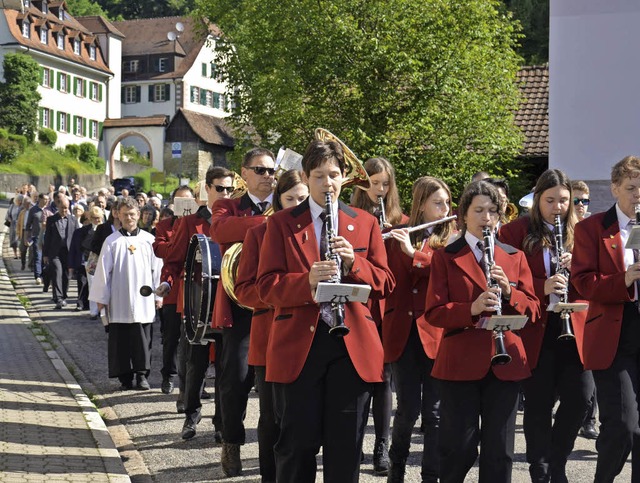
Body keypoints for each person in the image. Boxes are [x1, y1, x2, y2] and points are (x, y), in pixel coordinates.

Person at [256, 138, 395, 483]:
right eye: (318, 176)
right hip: (299, 348)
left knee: (346, 449)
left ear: (344, 177)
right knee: (295, 446)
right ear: (305, 177)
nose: (327, 183)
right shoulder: (281, 223)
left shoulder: (364, 222)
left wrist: (355, 263)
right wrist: (306, 281)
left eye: (333, 175)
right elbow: (265, 286)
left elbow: (385, 282)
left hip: (352, 346)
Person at [423, 180, 540, 483]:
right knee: (458, 449)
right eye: (479, 210)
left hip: (506, 362)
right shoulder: (445, 257)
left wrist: (509, 293)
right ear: (463, 214)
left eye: (492, 211)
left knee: (500, 451)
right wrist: (471, 309)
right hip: (460, 363)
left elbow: (534, 309)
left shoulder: (514, 256)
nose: (486, 217)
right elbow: (434, 312)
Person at [499, 169, 594, 482]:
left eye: (563, 201)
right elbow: (507, 281)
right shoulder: (515, 232)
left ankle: (556, 463)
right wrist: (542, 285)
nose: (558, 207)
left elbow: (592, 282)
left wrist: (576, 268)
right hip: (536, 325)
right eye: (550, 200)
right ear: (537, 199)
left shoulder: (581, 232)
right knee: (538, 403)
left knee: (580, 398)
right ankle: (541, 470)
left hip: (574, 324)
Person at [235, 169, 309, 483]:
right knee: (271, 420)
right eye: (290, 199)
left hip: (308, 338)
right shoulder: (261, 233)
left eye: (302, 199)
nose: (296, 204)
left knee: (301, 422)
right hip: (270, 339)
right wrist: (281, 295)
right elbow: (244, 289)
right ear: (278, 201)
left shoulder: (321, 231)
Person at [571, 155, 640, 483]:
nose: (638, 194)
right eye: (631, 187)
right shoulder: (591, 229)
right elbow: (583, 283)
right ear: (614, 188)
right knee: (623, 426)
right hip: (615, 338)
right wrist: (624, 279)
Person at [383, 176, 456, 482]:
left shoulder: (452, 240)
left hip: (436, 333)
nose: (445, 208)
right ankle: (396, 466)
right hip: (403, 332)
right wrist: (390, 244)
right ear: (421, 205)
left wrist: (415, 256)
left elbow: (446, 276)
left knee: (435, 413)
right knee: (407, 409)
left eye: (447, 203)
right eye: (438, 203)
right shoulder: (396, 234)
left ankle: (431, 475)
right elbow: (386, 280)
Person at [209, 148, 276, 476]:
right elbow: (220, 231)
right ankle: (232, 442)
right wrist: (270, 221)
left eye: (271, 171)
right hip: (242, 304)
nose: (268, 176)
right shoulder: (229, 205)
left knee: (274, 381)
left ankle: (274, 449)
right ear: (243, 174)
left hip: (276, 302)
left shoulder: (288, 204)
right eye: (260, 170)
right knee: (235, 378)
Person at [159, 169, 234, 441]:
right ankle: (191, 414)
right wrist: (167, 282)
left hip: (226, 302)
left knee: (227, 366)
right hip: (195, 301)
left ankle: (221, 422)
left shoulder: (236, 219)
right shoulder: (190, 221)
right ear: (207, 189)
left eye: (229, 189)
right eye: (219, 188)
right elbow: (174, 259)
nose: (224, 194)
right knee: (195, 363)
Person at [350, 156, 407, 475]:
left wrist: (401, 242)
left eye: (386, 184)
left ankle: (381, 446)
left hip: (391, 308)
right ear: (362, 184)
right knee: (358, 377)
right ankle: (354, 443)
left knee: (385, 378)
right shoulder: (350, 218)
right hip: (362, 307)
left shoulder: (402, 221)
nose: (381, 190)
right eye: (375, 184)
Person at [89, 196, 162, 391]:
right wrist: (100, 299)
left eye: (132, 214)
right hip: (118, 300)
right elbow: (103, 272)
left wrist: (159, 295)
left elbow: (158, 269)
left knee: (142, 339)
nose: (129, 218)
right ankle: (125, 378)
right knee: (120, 341)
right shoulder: (112, 241)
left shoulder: (149, 240)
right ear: (118, 216)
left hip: (143, 300)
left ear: (138, 215)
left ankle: (141, 376)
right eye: (124, 215)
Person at [151, 185, 194, 397]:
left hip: (195, 289)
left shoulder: (199, 223)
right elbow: (160, 249)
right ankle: (168, 375)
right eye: (179, 201)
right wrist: (180, 243)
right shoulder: (165, 225)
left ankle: (195, 383)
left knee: (195, 340)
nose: (184, 205)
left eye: (188, 201)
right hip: (174, 287)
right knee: (170, 338)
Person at [43, 196, 77, 309]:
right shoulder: (51, 220)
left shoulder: (73, 220)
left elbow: (77, 236)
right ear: (58, 206)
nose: (64, 210)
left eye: (66, 208)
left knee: (66, 276)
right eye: (62, 207)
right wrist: (45, 254)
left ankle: (63, 296)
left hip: (68, 252)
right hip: (55, 252)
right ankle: (58, 298)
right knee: (57, 272)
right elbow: (47, 237)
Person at [25, 193, 49, 285]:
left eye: (47, 199)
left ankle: (44, 275)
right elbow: (28, 225)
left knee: (45, 258)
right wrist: (26, 237)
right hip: (37, 237)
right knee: (38, 257)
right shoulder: (33, 210)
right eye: (44, 199)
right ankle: (38, 276)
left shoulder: (49, 210)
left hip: (47, 237)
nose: (46, 201)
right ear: (39, 199)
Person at [6, 194, 23, 259]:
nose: (20, 202)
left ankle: (20, 254)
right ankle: (15, 254)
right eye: (19, 200)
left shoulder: (23, 207)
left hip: (20, 225)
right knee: (13, 241)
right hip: (13, 225)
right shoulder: (12, 206)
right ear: (16, 200)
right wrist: (10, 219)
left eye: (21, 200)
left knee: (20, 240)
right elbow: (8, 215)